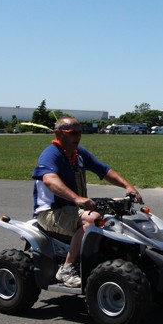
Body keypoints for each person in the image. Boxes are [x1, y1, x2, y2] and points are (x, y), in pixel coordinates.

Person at [32, 117, 143, 287]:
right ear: (59, 134)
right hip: (51, 212)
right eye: (72, 133)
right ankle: (67, 268)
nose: (78, 136)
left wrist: (128, 186)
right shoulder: (51, 154)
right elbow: (49, 180)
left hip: (73, 209)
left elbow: (104, 170)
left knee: (118, 209)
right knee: (92, 219)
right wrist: (77, 199)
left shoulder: (78, 154)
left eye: (79, 132)